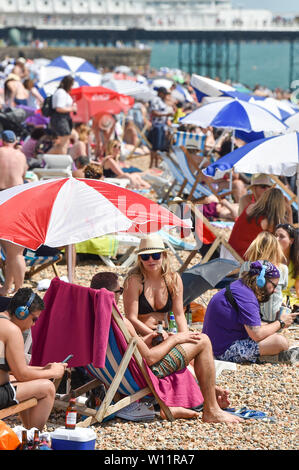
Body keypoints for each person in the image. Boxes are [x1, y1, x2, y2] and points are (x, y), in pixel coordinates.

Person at [91, 271, 240, 423]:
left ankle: (208, 394)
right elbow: (149, 358)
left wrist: (145, 340)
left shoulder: (89, 318)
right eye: (120, 291)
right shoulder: (121, 322)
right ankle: (212, 411)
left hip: (113, 374)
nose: (121, 296)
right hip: (141, 374)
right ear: (111, 294)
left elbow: (126, 348)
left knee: (182, 342)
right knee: (202, 341)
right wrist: (175, 339)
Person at [202, 261, 298, 364]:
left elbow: (254, 325)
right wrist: (280, 322)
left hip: (215, 344)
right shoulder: (247, 297)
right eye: (274, 285)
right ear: (261, 280)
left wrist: (276, 322)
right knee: (280, 342)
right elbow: (256, 334)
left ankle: (270, 356)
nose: (274, 290)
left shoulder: (241, 287)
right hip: (221, 351)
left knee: (272, 334)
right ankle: (268, 357)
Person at [0, 288, 67, 430]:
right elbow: (22, 374)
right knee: (47, 388)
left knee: (28, 381)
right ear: (21, 313)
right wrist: (53, 373)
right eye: (34, 319)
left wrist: (43, 369)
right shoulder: (12, 331)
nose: (34, 324)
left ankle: (29, 432)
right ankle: (34, 440)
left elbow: (13, 370)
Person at [123, 233, 188, 337]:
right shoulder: (134, 281)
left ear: (164, 255)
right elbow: (131, 318)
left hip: (165, 333)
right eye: (145, 256)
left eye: (156, 255)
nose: (151, 260)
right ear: (140, 258)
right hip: (141, 337)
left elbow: (179, 315)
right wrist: (156, 335)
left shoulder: (173, 279)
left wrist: (184, 336)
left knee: (202, 341)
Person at [239, 232, 288, 322]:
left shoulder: (246, 266)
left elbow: (239, 287)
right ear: (276, 250)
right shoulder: (283, 269)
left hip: (249, 317)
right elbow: (284, 287)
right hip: (274, 319)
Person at [228, 187, 287, 260]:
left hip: (229, 250)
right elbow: (287, 235)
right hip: (243, 257)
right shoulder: (268, 222)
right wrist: (289, 212)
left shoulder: (250, 207)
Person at [50, 75, 77, 154]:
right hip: (60, 120)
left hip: (63, 120)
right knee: (63, 144)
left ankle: (58, 160)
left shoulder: (62, 92)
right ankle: (48, 159)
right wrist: (72, 109)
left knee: (65, 142)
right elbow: (59, 108)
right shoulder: (61, 93)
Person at [148, 87, 174, 168]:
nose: (165, 96)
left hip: (162, 126)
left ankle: (155, 164)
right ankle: (152, 165)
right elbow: (154, 112)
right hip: (157, 125)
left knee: (159, 147)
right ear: (160, 93)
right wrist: (166, 115)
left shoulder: (162, 101)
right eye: (164, 94)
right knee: (155, 147)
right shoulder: (155, 100)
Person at [275, 223, 299, 306]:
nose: (276, 239)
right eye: (275, 235)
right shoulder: (268, 258)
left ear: (291, 241)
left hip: (289, 302)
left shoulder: (296, 262)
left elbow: (298, 290)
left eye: (281, 236)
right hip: (271, 300)